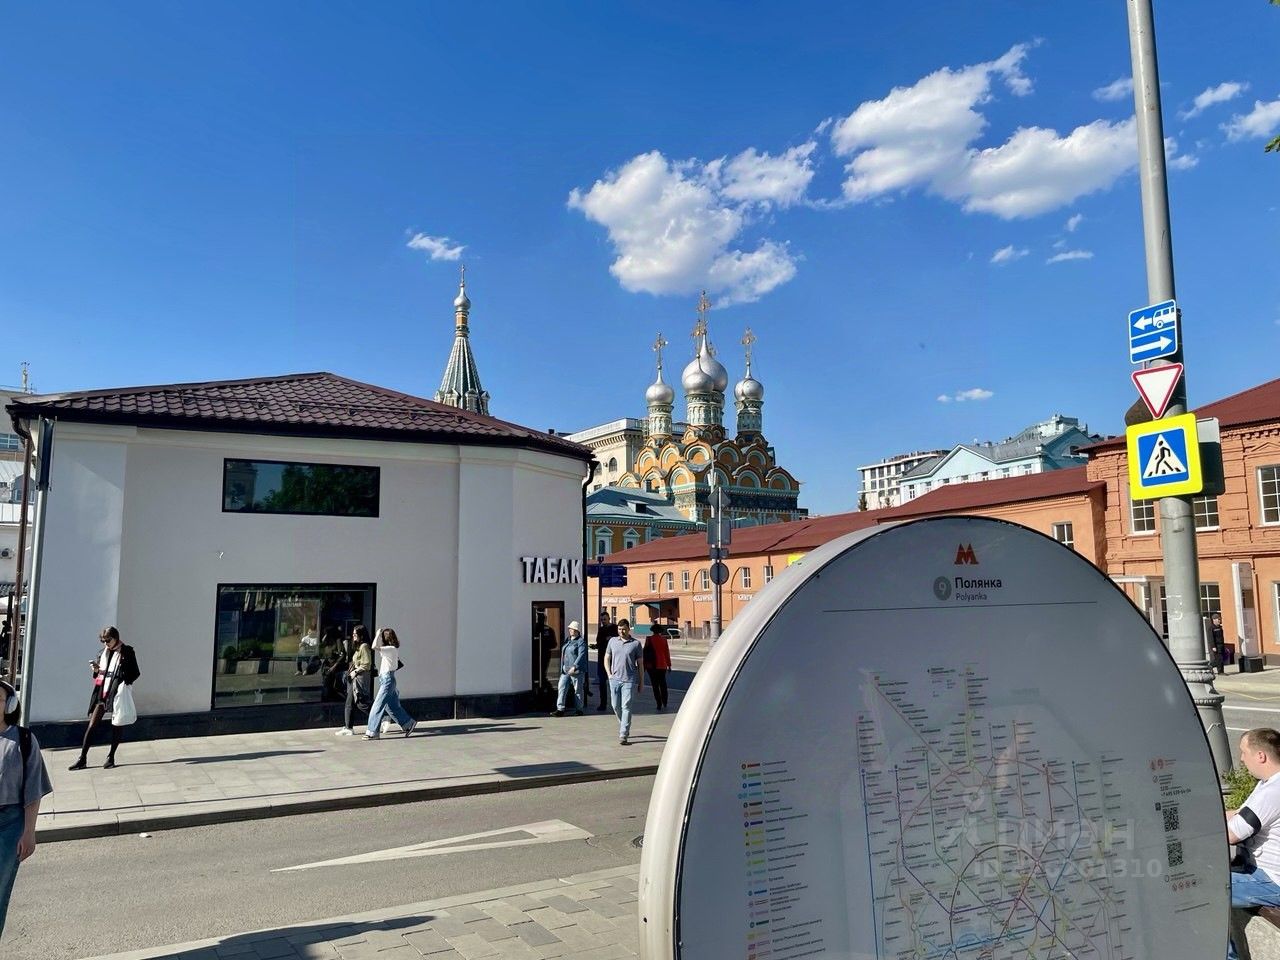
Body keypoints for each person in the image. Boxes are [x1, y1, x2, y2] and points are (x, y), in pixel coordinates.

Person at [0, 679, 53, 937]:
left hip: (10, 824)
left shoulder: (23, 739)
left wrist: (29, 832)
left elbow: (33, 790)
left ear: (9, 704)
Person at [1227, 728, 1280, 960]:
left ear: (1260, 755)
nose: (1241, 759)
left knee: (1203, 891)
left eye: (1243, 752)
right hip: (1259, 871)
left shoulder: (1274, 791)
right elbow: (1240, 815)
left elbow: (1232, 834)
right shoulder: (1268, 784)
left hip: (1272, 881)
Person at [68, 626, 140, 771]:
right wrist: (96, 671)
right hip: (102, 693)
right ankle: (82, 758)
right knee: (92, 725)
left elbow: (135, 673)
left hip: (117, 692)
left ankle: (110, 757)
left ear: (116, 638)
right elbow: (99, 676)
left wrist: (123, 677)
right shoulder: (102, 653)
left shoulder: (127, 652)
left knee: (117, 724)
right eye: (103, 641)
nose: (106, 643)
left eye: (108, 640)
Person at [365, 627, 416, 740]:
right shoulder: (390, 649)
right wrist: (379, 636)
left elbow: (374, 646)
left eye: (382, 637)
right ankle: (408, 723)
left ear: (386, 638)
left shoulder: (391, 649)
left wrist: (377, 634)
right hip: (387, 679)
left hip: (387, 680)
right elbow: (378, 647)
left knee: (377, 705)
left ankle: (372, 732)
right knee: (391, 707)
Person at [604, 618, 643, 746]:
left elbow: (640, 665)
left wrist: (641, 682)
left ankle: (623, 734)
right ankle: (624, 725)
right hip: (614, 680)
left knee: (626, 706)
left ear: (629, 629)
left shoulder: (636, 644)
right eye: (619, 629)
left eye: (624, 629)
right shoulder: (612, 641)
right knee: (615, 706)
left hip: (629, 680)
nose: (621, 631)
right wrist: (609, 674)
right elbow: (607, 658)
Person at [336, 625, 374, 736]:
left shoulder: (364, 646)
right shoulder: (358, 646)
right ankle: (348, 727)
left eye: (355, 634)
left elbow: (367, 664)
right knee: (350, 703)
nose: (353, 636)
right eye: (353, 634)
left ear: (361, 635)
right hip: (353, 678)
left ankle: (381, 716)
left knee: (361, 703)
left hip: (358, 679)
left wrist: (355, 671)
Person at [552, 621, 588, 717]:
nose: (570, 630)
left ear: (577, 630)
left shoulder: (580, 642)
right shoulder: (567, 640)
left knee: (578, 690)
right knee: (562, 688)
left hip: (575, 670)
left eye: (572, 629)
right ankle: (560, 709)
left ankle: (579, 709)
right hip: (565, 670)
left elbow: (581, 655)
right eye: (570, 628)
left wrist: (575, 666)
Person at [594, 611, 618, 712]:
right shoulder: (601, 629)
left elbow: (618, 640)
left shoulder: (615, 628)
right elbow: (598, 641)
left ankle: (616, 703)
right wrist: (601, 642)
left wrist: (611, 638)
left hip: (613, 659)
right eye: (602, 620)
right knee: (602, 682)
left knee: (614, 683)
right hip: (602, 659)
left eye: (605, 619)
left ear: (609, 619)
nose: (603, 621)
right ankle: (603, 704)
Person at [644, 625, 672, 711]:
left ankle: (658, 703)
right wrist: (669, 665)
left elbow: (645, 652)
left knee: (655, 685)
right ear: (660, 631)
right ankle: (665, 701)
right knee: (663, 684)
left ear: (652, 630)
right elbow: (666, 652)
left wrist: (644, 665)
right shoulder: (664, 639)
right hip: (662, 664)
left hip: (651, 665)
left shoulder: (649, 639)